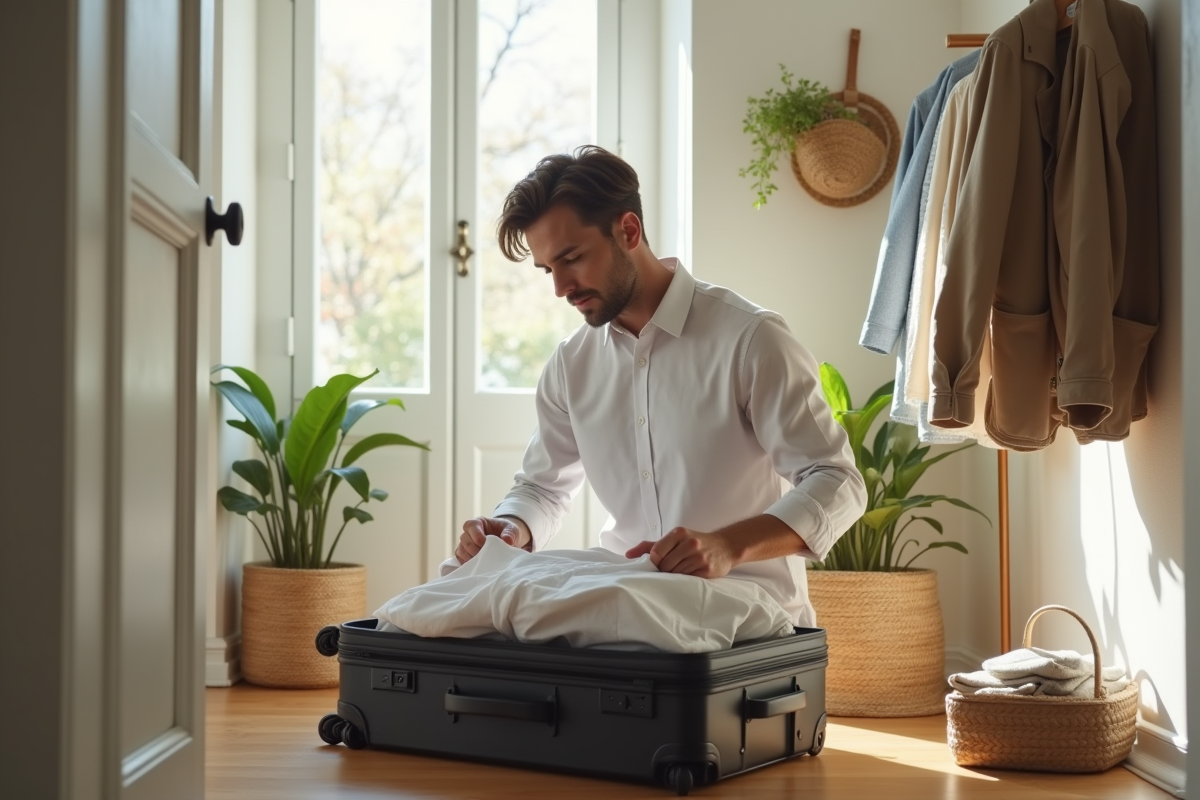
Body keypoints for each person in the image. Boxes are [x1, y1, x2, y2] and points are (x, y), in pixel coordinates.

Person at [455, 145, 866, 626]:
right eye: (549, 269)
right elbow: (543, 488)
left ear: (628, 231)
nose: (560, 287)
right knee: (460, 601)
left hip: (750, 615)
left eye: (572, 258)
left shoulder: (751, 339)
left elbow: (838, 481)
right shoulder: (571, 365)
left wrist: (727, 545)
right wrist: (511, 526)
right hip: (631, 609)